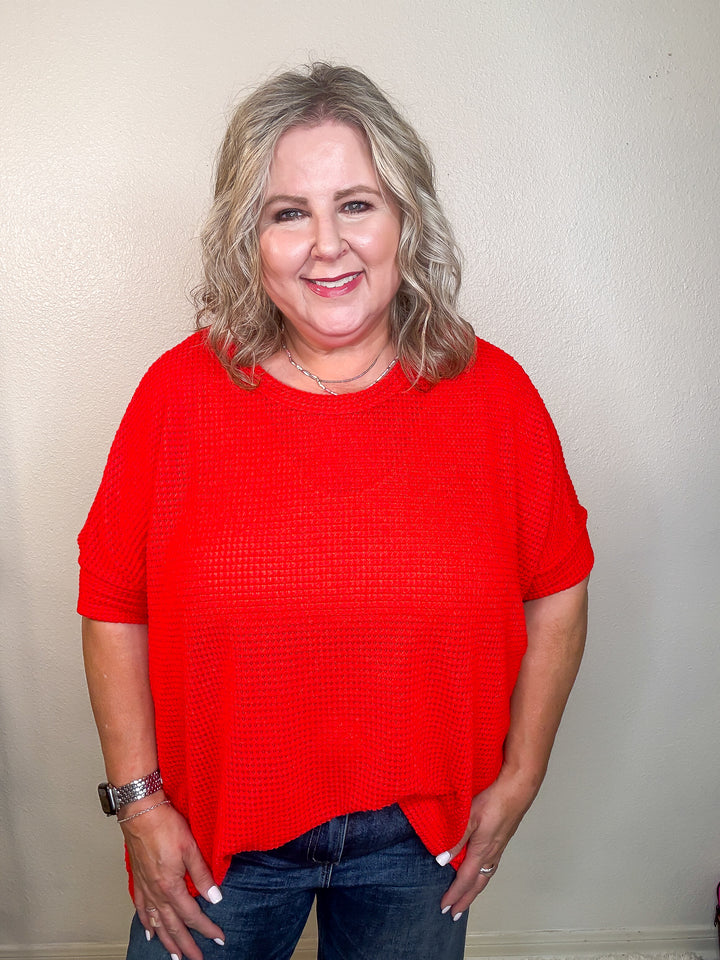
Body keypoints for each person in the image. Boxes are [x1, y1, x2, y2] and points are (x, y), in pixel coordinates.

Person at [79, 62, 593, 960]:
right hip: (219, 842)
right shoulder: (176, 397)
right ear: (251, 237)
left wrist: (523, 776)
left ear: (406, 218)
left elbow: (559, 586)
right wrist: (138, 801)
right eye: (289, 212)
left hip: (420, 843)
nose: (328, 245)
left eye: (356, 204)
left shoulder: (494, 394)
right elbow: (112, 605)